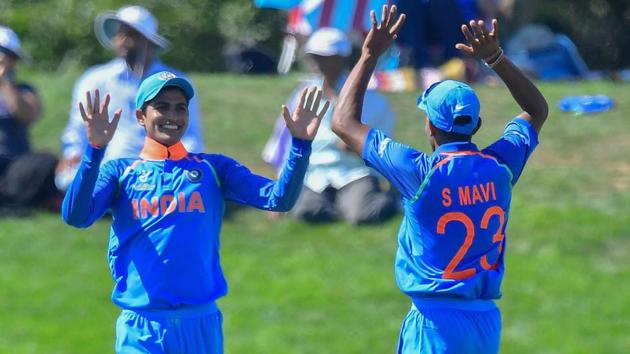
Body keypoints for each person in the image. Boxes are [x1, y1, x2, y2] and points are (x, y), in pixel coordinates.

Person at [61, 71, 329, 353]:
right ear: (141, 116)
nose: (172, 116)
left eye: (181, 108)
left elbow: (279, 199)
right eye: (162, 107)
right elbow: (76, 216)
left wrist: (300, 145)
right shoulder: (120, 172)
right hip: (143, 326)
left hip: (200, 324)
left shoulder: (213, 168)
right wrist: (94, 150)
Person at [332, 5, 548, 353]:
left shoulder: (419, 173)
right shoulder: (500, 166)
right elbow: (537, 110)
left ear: (429, 126)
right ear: (476, 126)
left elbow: (343, 123)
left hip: (434, 324)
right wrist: (496, 58)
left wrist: (370, 53)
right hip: (484, 322)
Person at [56, 5, 203, 191]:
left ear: (148, 42)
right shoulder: (95, 79)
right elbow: (77, 126)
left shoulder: (174, 82)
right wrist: (73, 152)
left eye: (131, 35)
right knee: (65, 180)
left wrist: (183, 164)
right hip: (107, 161)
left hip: (159, 163)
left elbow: (190, 135)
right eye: (119, 34)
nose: (122, 41)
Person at [263, 27, 398, 225]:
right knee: (307, 211)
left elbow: (383, 143)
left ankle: (388, 200)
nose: (318, 62)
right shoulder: (302, 94)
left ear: (342, 58)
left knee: (362, 214)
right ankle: (338, 204)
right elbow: (285, 141)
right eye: (315, 56)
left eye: (325, 57)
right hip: (313, 173)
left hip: (353, 172)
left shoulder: (368, 98)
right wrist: (280, 188)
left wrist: (359, 146)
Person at [0, 25, 60, 214]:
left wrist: (6, 81)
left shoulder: (24, 90)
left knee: (47, 161)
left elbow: (25, 115)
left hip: (14, 165)